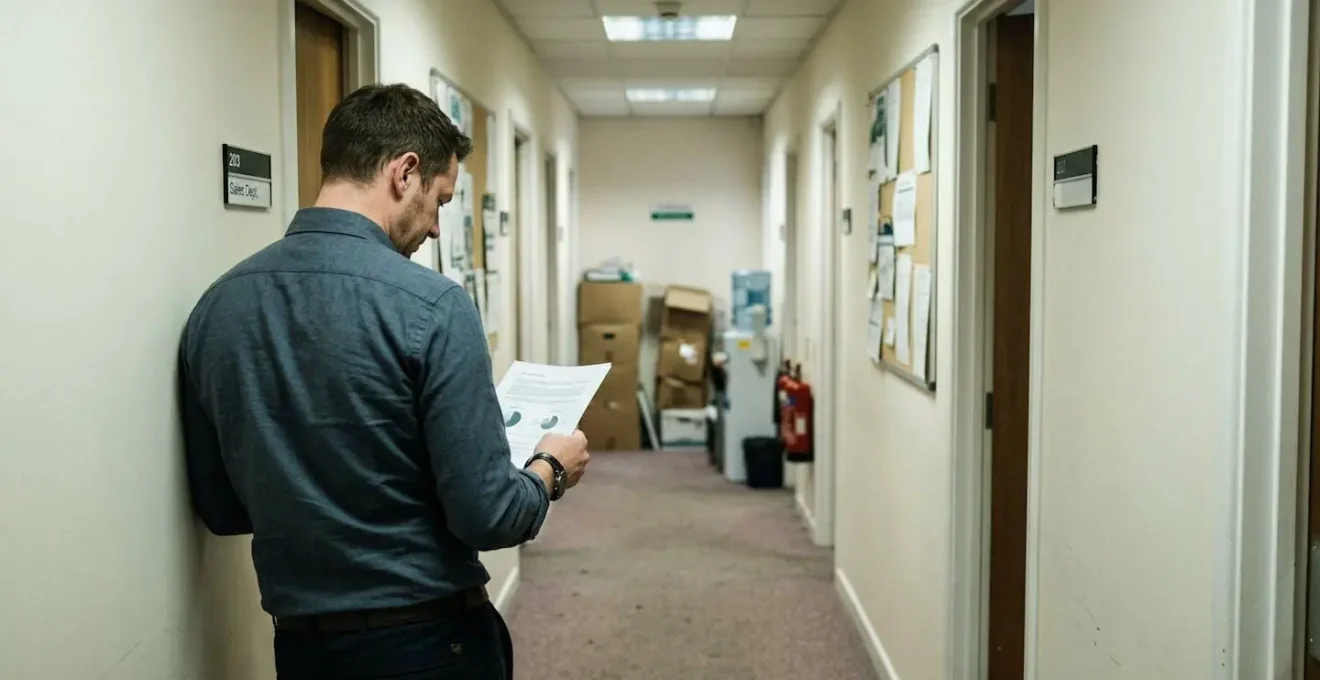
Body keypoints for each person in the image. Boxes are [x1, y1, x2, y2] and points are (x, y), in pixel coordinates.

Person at [179, 83, 590, 679]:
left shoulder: (216, 307)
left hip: (303, 652)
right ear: (405, 173)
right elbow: (490, 516)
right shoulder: (434, 306)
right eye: (441, 203)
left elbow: (221, 506)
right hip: (428, 646)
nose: (432, 231)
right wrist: (550, 468)